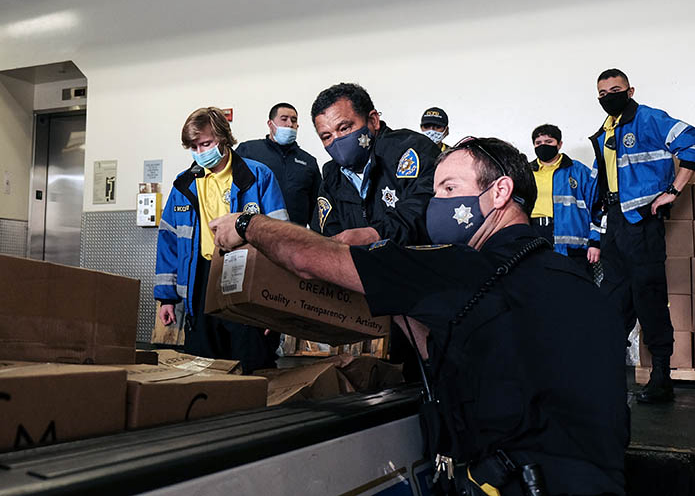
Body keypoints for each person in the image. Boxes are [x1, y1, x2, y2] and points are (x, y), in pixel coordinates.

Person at [210, 136, 628, 496]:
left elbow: (307, 259)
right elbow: (478, 348)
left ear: (499, 193)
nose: (437, 204)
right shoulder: (576, 281)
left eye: (449, 188)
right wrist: (398, 301)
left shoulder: (464, 267)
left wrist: (248, 223)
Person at [591, 68, 695, 403]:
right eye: (601, 93)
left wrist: (672, 190)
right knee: (612, 304)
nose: (607, 97)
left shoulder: (649, 119)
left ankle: (661, 379)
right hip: (614, 222)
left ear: (630, 91)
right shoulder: (604, 132)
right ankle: (607, 376)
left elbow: (694, 146)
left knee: (649, 297)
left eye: (614, 90)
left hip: (642, 222)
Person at [154, 107, 289, 374]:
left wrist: (277, 304)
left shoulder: (257, 176)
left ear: (224, 139)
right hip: (200, 281)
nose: (201, 151)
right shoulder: (184, 185)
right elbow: (168, 241)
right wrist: (166, 299)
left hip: (247, 277)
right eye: (194, 146)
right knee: (203, 366)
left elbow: (280, 238)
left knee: (251, 362)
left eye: (206, 143)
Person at [310, 82, 441, 246]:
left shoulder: (411, 151)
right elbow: (324, 233)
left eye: (344, 128)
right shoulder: (331, 177)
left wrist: (376, 234)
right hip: (361, 270)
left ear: (373, 120)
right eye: (326, 137)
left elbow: (427, 207)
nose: (337, 140)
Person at [235, 102, 322, 228]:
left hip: (295, 235)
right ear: (270, 124)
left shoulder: (308, 161)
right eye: (284, 119)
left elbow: (316, 206)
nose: (289, 124)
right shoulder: (248, 151)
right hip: (254, 233)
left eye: (294, 120)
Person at [529, 124, 601, 271]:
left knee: (575, 290)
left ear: (559, 144)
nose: (543, 146)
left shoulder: (578, 171)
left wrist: (595, 242)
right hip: (535, 238)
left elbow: (597, 206)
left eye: (549, 142)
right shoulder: (526, 172)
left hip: (573, 247)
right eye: (538, 143)